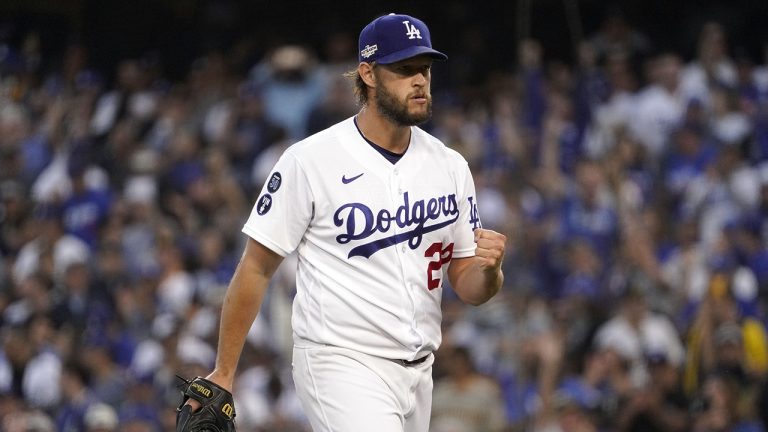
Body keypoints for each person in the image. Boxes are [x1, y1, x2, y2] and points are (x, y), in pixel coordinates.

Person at [185, 12, 507, 432]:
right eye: (404, 69)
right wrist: (224, 371)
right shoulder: (311, 160)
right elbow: (256, 267)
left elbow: (467, 284)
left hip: (419, 370)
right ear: (368, 74)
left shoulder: (451, 166)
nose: (420, 80)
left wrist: (491, 272)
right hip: (339, 360)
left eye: (425, 69)